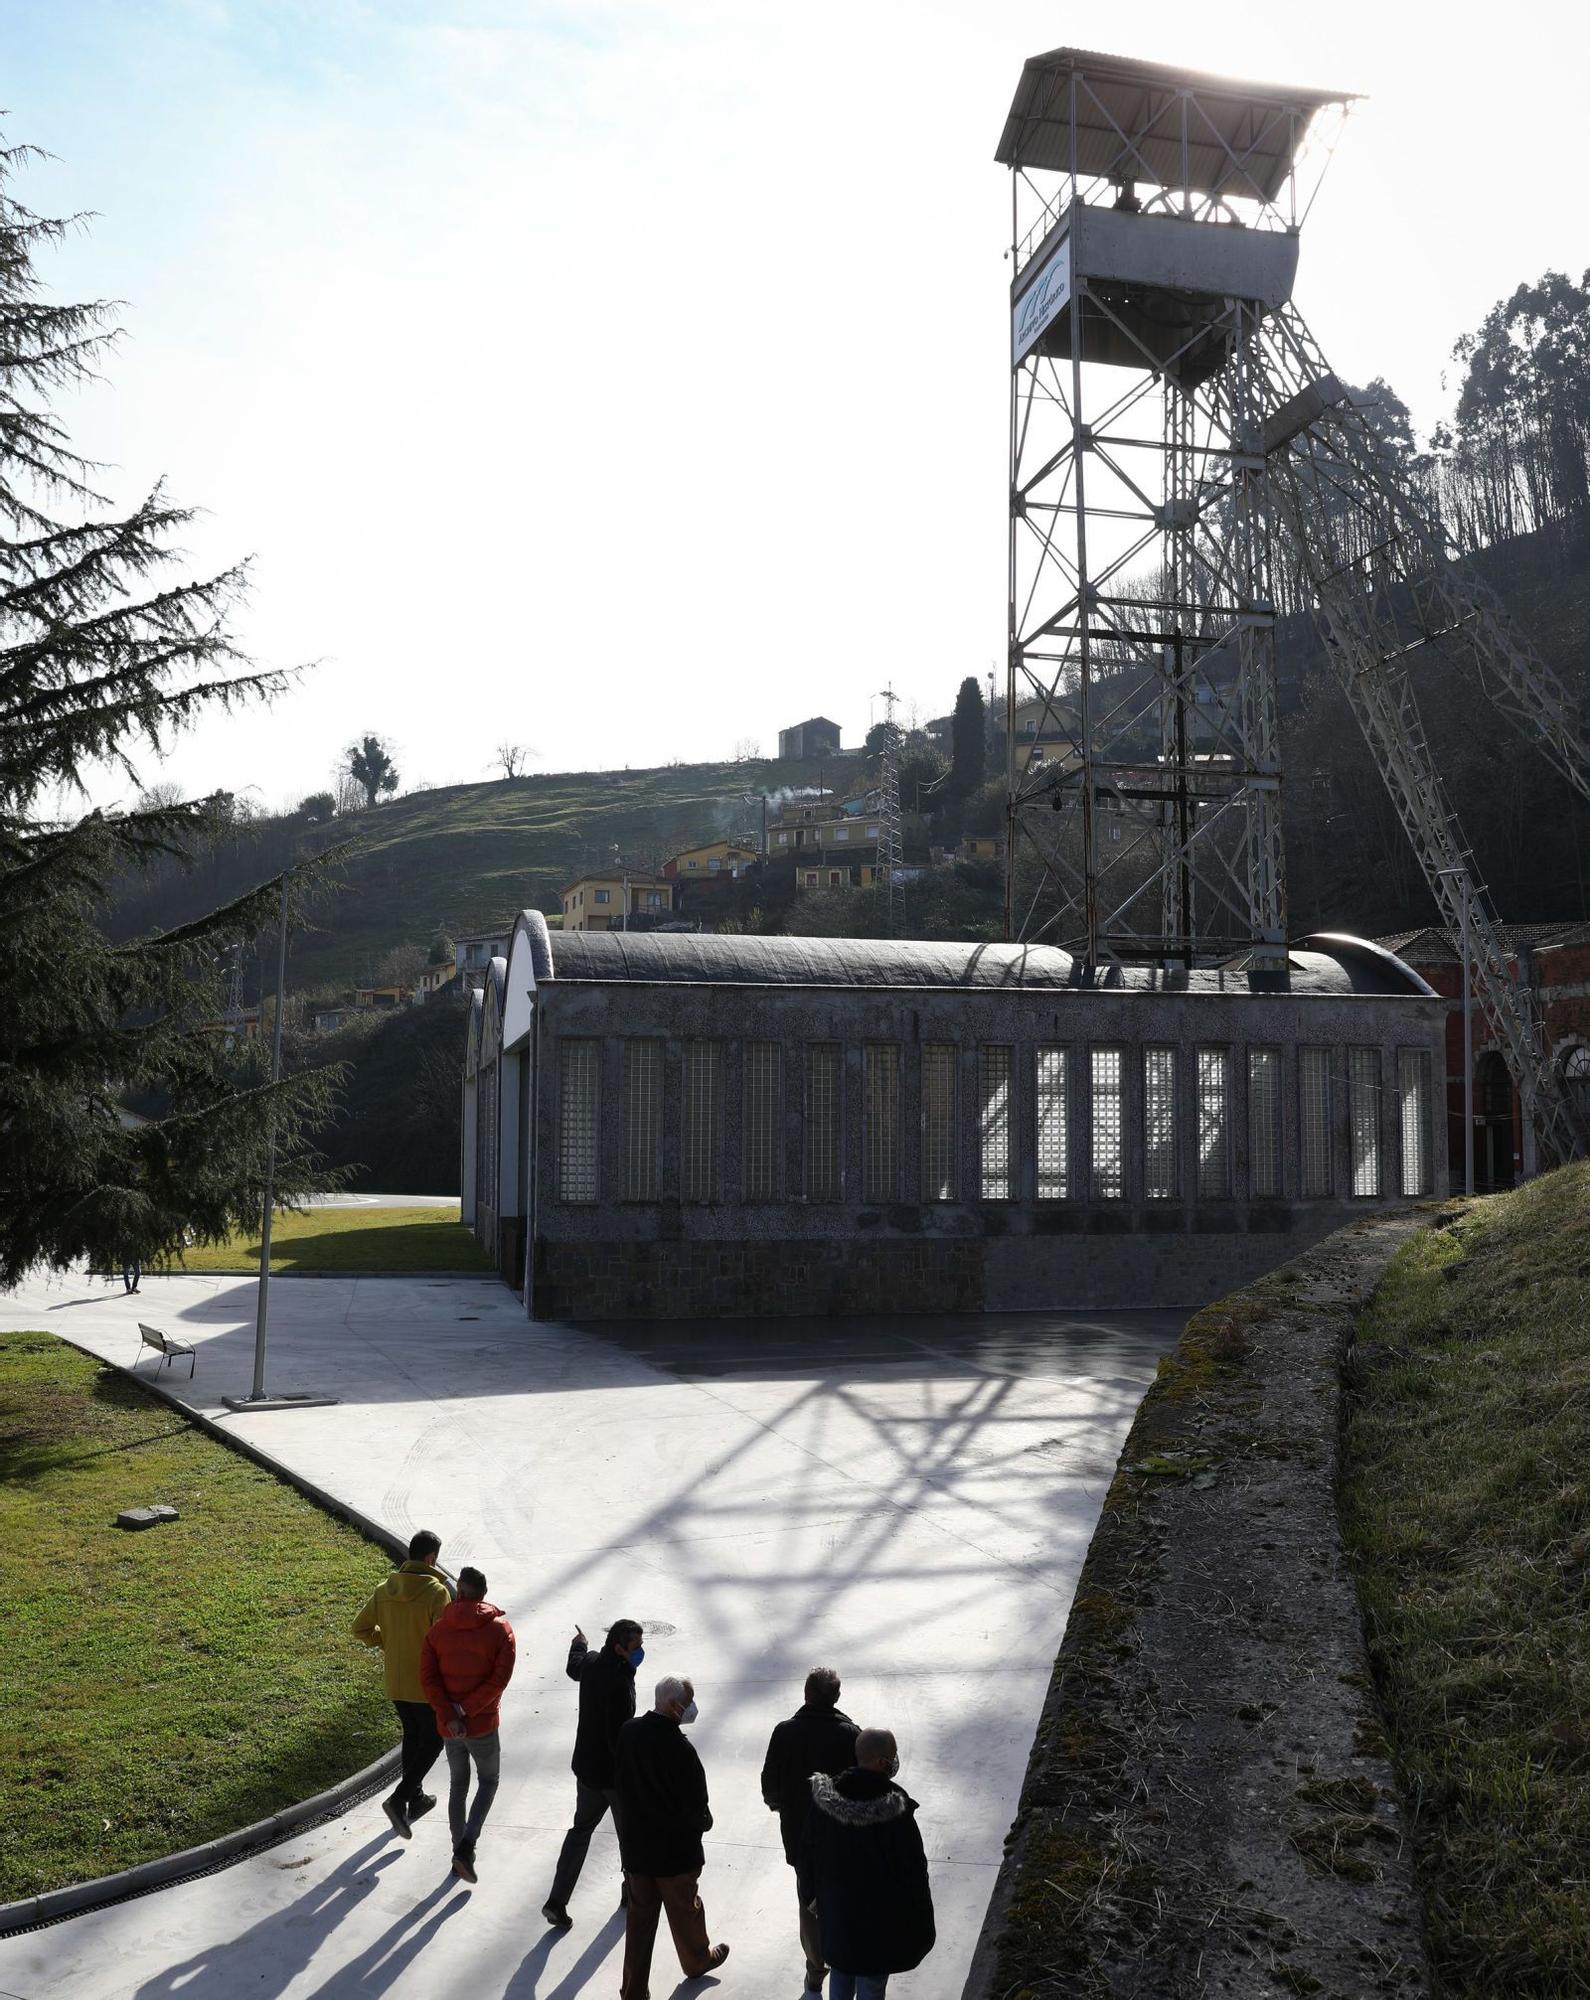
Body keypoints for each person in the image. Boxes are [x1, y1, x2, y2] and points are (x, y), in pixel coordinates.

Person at [797, 1728, 935, 2000]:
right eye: (892, 1756)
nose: (895, 1761)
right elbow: (913, 1871)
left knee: (841, 1970)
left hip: (836, 1914)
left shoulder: (825, 1799)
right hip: (878, 1921)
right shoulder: (896, 1808)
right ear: (882, 1762)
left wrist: (812, 1897)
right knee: (872, 1983)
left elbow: (806, 1854)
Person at [615, 1675, 729, 1999]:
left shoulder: (629, 1732)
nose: (690, 1707)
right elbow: (697, 1806)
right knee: (687, 1912)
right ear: (673, 1705)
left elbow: (621, 1783)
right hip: (675, 1855)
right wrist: (702, 1823)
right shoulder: (681, 1750)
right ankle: (696, 1960)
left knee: (639, 1922)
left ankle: (634, 1990)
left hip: (638, 1851)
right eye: (688, 1700)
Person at [761, 1667, 860, 1993]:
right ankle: (848, 1955)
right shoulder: (850, 1734)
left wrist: (780, 1806)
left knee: (809, 1899)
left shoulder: (785, 1731)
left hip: (800, 1835)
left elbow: (770, 1784)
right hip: (842, 1835)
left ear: (806, 1695)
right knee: (845, 1894)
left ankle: (816, 1969)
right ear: (836, 1697)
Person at [542, 1617, 645, 1928]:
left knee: (580, 1831)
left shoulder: (591, 1663)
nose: (640, 1652)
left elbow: (574, 1666)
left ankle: (557, 1900)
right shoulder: (620, 1681)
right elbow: (621, 1734)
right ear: (619, 1648)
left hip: (587, 1770)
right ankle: (633, 1893)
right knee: (630, 1837)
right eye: (636, 1647)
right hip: (613, 1777)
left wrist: (579, 1643)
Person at [351, 1528, 454, 1840]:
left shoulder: (384, 1589)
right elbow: (445, 1642)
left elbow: (360, 1628)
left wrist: (389, 1643)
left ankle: (417, 1798)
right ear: (431, 1558)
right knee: (435, 1740)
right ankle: (399, 1799)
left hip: (396, 1682)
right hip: (426, 1683)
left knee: (413, 1735)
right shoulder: (437, 1593)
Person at [419, 1564, 516, 1883]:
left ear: (459, 1593)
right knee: (488, 1781)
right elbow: (498, 1680)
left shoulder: (437, 1631)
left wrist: (449, 1714)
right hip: (482, 1724)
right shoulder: (501, 1630)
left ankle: (456, 1851)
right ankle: (466, 1848)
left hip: (450, 1727)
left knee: (458, 1784)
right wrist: (464, 1710)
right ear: (484, 1595)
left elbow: (428, 1679)